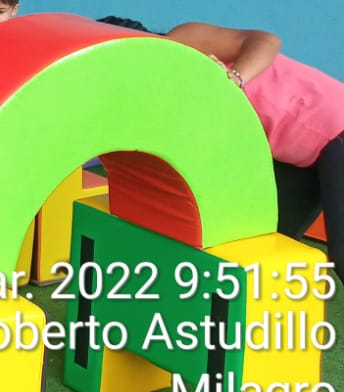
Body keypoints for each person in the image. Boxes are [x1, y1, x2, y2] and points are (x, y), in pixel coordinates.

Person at [99, 16, 344, 280]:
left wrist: (234, 78)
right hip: (299, 155)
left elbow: (267, 40)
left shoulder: (182, 41)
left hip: (335, 126)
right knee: (263, 245)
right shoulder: (159, 93)